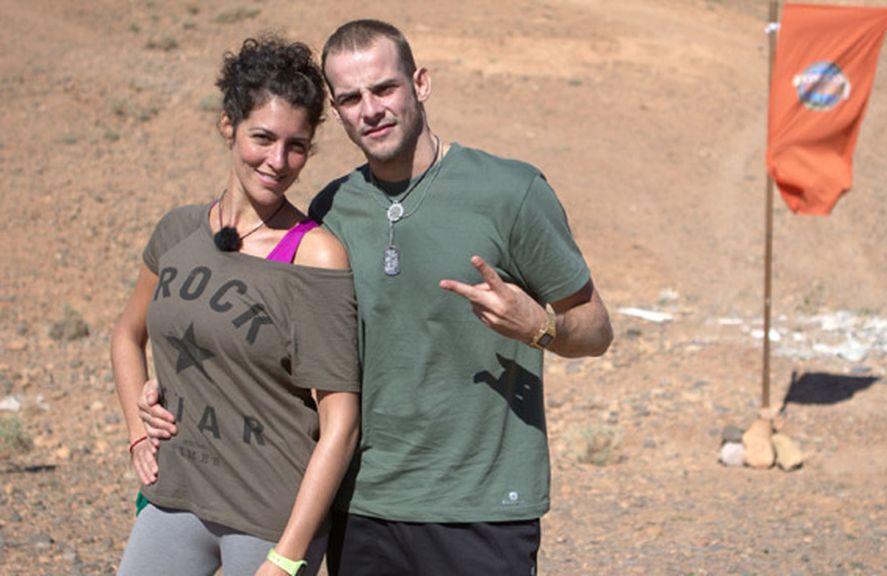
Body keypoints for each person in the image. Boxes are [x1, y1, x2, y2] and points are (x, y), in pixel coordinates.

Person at [142, 19, 613, 575]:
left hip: (480, 507)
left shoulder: (510, 192)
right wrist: (177, 386)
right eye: (350, 98)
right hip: (360, 508)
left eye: (384, 88)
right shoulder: (329, 213)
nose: (371, 109)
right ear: (336, 113)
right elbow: (282, 352)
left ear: (420, 84)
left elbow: (597, 327)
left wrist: (541, 327)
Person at [111, 35, 360, 576]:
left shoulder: (315, 254)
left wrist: (287, 557)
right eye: (263, 137)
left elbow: (340, 422)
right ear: (229, 125)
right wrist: (137, 428)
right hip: (176, 495)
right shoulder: (178, 231)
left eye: (296, 144)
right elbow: (127, 335)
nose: (278, 161)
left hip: (269, 519)